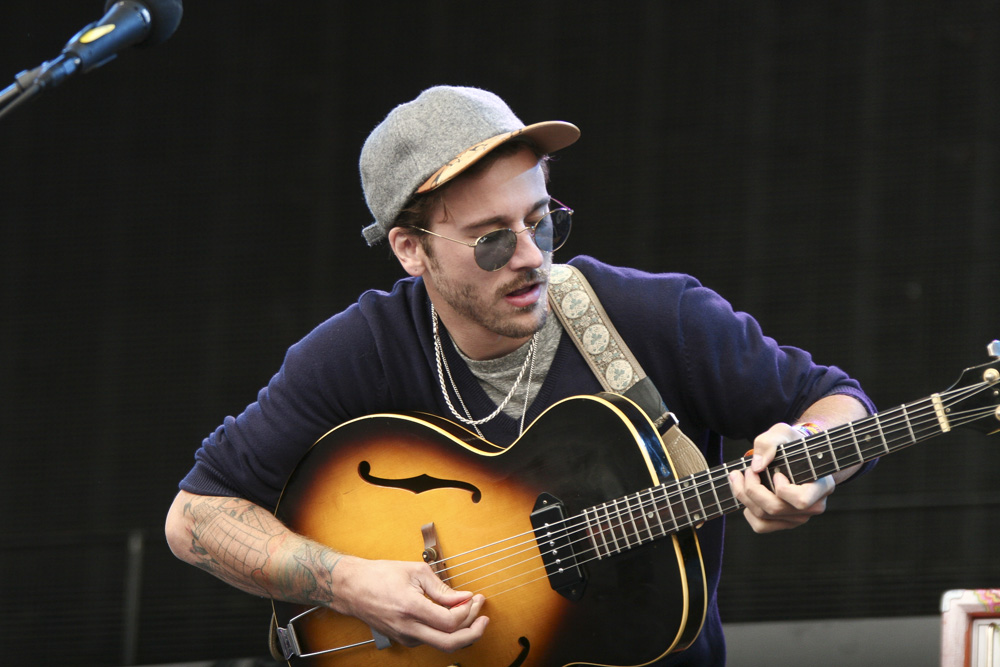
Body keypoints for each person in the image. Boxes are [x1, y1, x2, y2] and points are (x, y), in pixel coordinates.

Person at [165, 85, 875, 665]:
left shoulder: (656, 316)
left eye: (541, 221)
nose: (531, 256)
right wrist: (349, 582)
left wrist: (811, 457)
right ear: (410, 249)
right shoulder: (359, 352)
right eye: (492, 239)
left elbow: (837, 401)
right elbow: (195, 515)